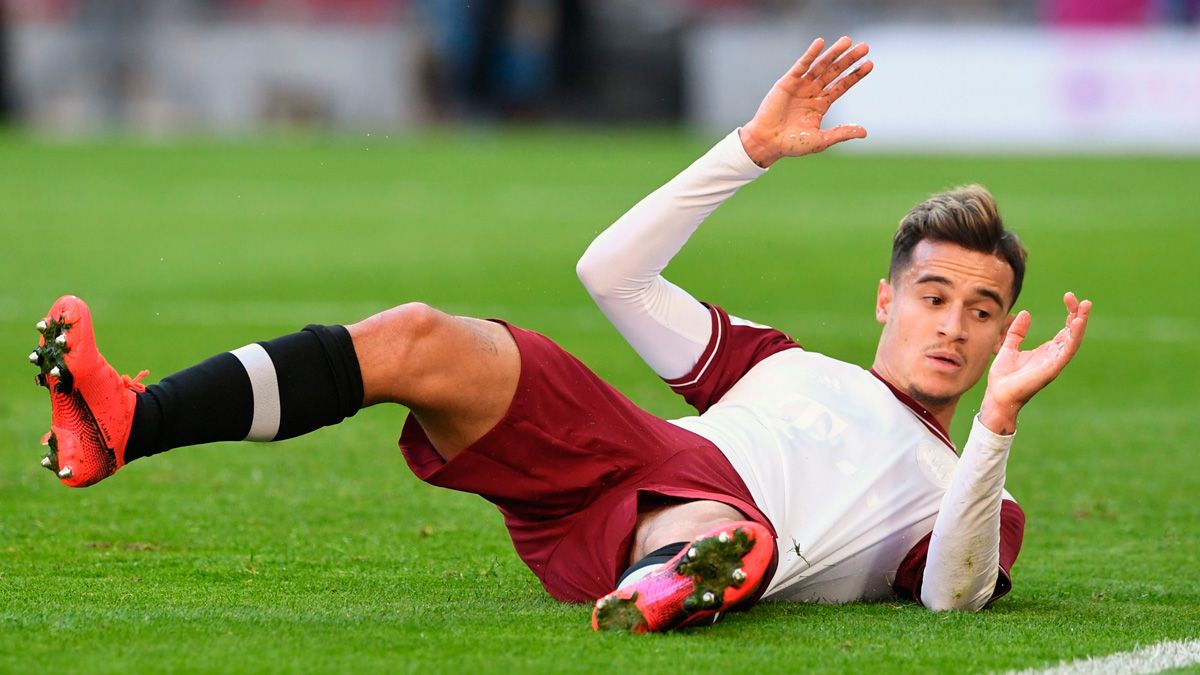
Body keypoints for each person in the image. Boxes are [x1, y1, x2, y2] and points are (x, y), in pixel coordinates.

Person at [28, 37, 1091, 634]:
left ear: (1003, 338)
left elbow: (952, 594)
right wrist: (747, 151)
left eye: (981, 311)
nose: (952, 326)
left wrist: (994, 426)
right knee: (418, 336)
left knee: (735, 530)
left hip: (708, 515)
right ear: (886, 302)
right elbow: (611, 274)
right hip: (634, 448)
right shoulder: (776, 363)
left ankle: (671, 580)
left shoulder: (970, 492)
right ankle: (126, 423)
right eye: (935, 296)